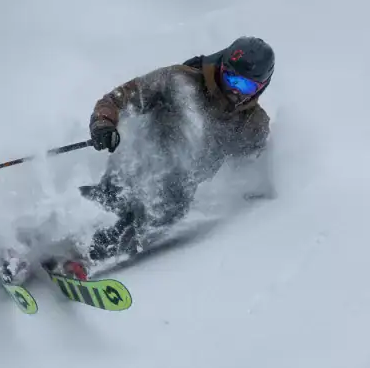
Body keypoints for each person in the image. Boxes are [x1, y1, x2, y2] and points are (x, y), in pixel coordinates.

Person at [79, 36, 275, 264]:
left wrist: (258, 191)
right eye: (230, 77)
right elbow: (118, 98)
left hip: (174, 196)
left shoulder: (252, 125)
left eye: (245, 86)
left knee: (154, 215)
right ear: (222, 67)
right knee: (110, 199)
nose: (234, 89)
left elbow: (251, 167)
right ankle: (60, 231)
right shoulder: (178, 80)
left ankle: (85, 257)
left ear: (261, 87)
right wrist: (103, 124)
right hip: (137, 162)